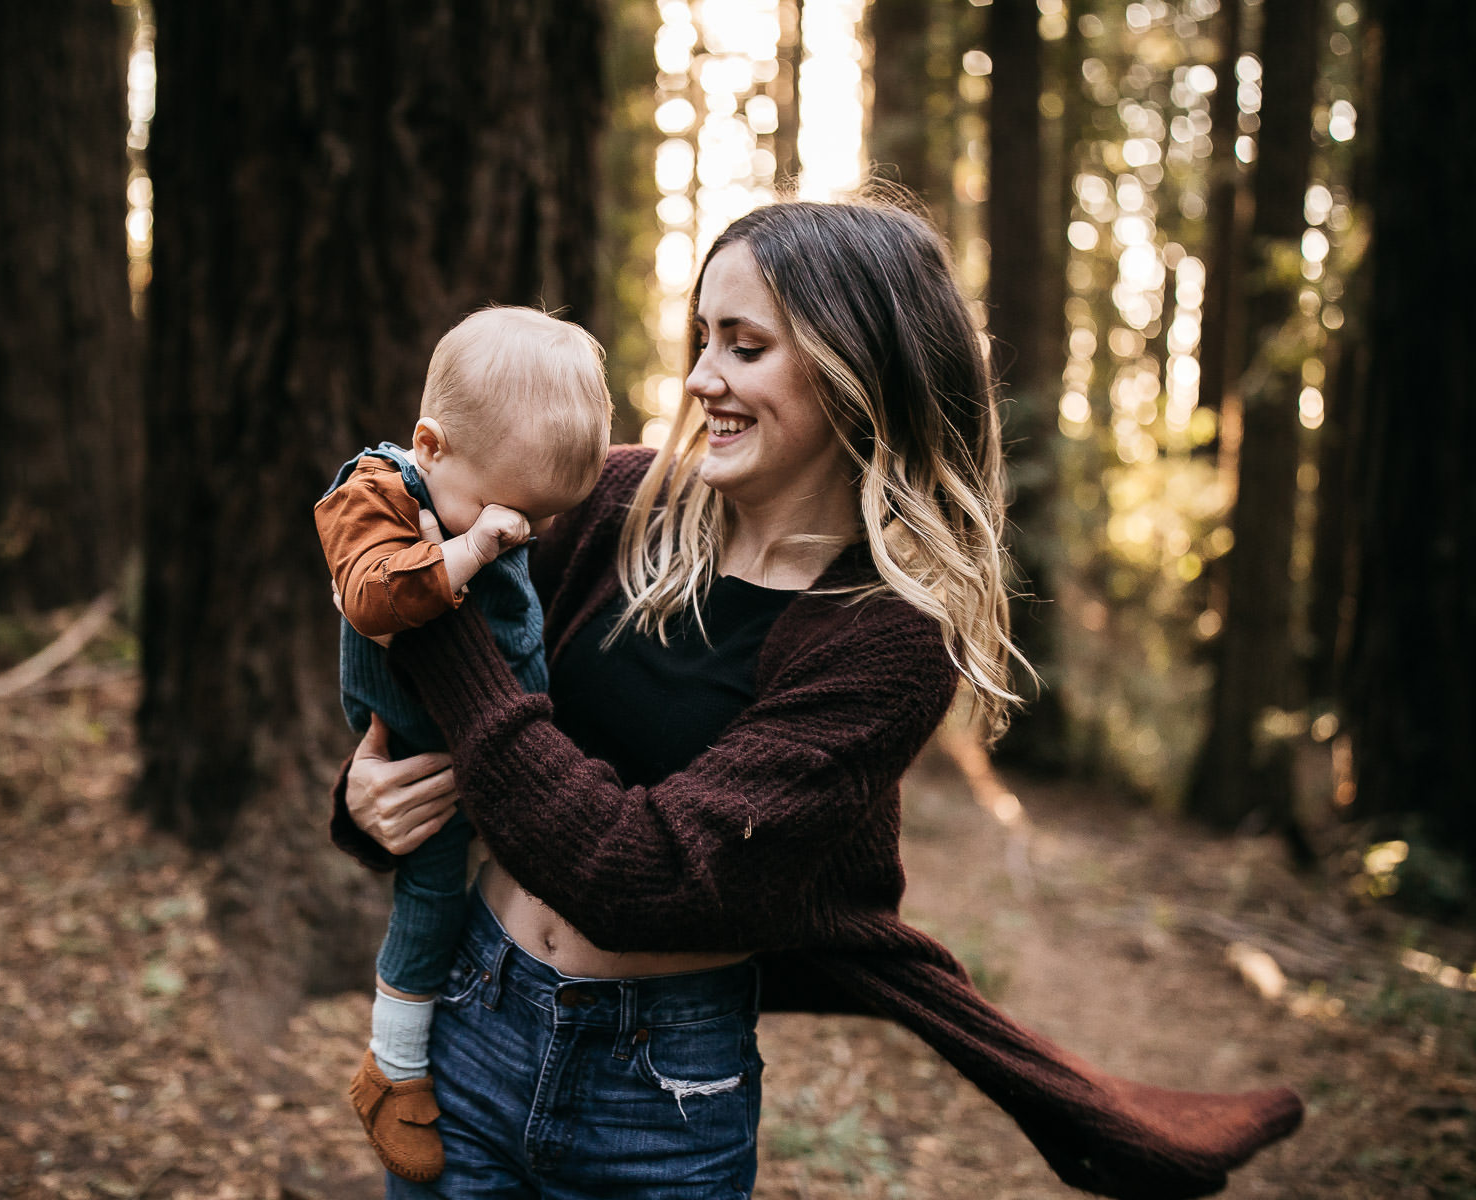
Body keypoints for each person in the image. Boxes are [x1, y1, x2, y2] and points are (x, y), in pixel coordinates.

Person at [331, 199, 1304, 1199]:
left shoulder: (887, 638)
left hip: (658, 1096)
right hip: (472, 1015)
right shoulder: (616, 503)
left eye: (745, 346)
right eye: (703, 339)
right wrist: (373, 803)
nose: (703, 377)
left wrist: (431, 623)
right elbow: (423, 678)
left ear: (855, 371)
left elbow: (645, 876)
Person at [315, 305, 613, 1183]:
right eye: (509, 513)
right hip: (423, 747)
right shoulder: (375, 494)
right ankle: (394, 1068)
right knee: (433, 895)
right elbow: (373, 599)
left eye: (541, 522)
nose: (524, 534)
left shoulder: (492, 493)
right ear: (431, 445)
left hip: (490, 758)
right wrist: (474, 547)